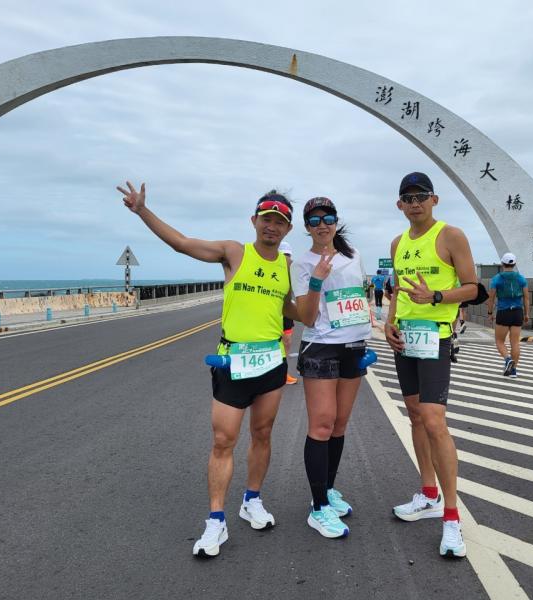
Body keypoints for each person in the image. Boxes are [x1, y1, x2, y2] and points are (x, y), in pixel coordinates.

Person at [116, 182, 296, 558]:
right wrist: (142, 211)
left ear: (288, 229)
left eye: (279, 222)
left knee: (263, 434)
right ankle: (216, 520)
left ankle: (252, 500)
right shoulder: (234, 252)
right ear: (254, 220)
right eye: (266, 218)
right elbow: (182, 243)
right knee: (223, 441)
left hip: (270, 362)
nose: (272, 226)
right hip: (233, 361)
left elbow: (292, 309)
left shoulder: (287, 266)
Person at [383, 172, 478, 558]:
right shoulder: (397, 243)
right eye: (408, 198)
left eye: (421, 196)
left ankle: (452, 518)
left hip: (435, 337)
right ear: (399, 205)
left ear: (434, 199)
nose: (415, 203)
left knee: (435, 421)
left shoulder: (451, 236)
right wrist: (389, 321)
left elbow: (474, 288)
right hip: (404, 338)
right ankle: (428, 494)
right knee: (415, 417)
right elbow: (397, 289)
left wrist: (436, 295)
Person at [291, 197, 371, 539]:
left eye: (328, 218)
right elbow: (307, 317)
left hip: (354, 345)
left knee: (339, 424)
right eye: (314, 220)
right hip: (321, 346)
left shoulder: (353, 255)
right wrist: (316, 280)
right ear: (306, 227)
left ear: (336, 222)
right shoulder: (302, 263)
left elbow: (359, 296)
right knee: (322, 425)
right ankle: (318, 507)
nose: (322, 224)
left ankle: (328, 489)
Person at [486, 252, 529, 378]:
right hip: (517, 312)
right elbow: (526, 298)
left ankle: (507, 359)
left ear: (502, 264)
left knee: (499, 341)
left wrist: (490, 313)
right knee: (515, 342)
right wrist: (526, 314)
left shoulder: (496, 279)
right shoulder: (521, 278)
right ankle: (513, 371)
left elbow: (491, 298)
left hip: (503, 312)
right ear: (514, 264)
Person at [279, 240, 298, 385]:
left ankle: (283, 373)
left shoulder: (293, 269)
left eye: (287, 255)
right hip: (272, 311)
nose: (286, 258)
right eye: (283, 255)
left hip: (286, 311)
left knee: (287, 341)